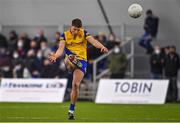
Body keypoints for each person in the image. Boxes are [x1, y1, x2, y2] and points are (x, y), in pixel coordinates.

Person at [48, 18, 108, 120]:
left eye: (77, 30)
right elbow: (61, 48)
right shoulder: (64, 35)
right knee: (68, 59)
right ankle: (72, 60)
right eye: (74, 29)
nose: (76, 31)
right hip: (70, 60)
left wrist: (102, 47)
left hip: (82, 61)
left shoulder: (84, 33)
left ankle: (71, 110)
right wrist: (55, 56)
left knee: (75, 85)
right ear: (71, 26)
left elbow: (93, 42)